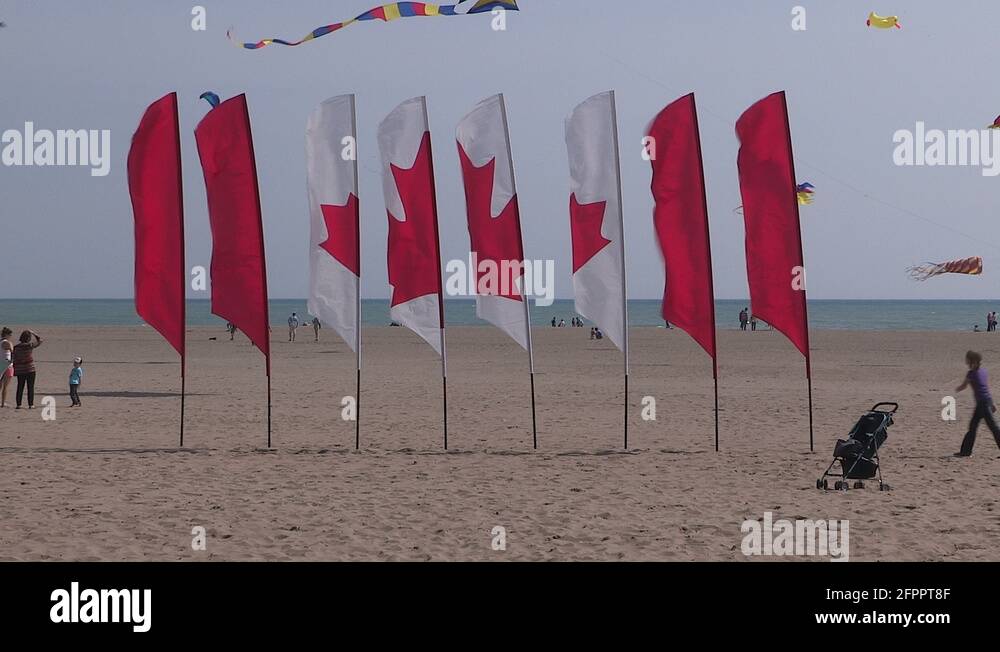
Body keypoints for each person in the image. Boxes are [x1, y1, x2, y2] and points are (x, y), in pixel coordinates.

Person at [954, 350, 1000, 456]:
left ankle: (965, 451)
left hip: (983, 404)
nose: (966, 363)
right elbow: (985, 388)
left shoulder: (971, 374)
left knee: (993, 427)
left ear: (972, 361)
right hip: (985, 402)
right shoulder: (983, 371)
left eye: (968, 360)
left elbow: (964, 386)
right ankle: (965, 451)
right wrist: (992, 403)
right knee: (973, 427)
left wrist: (956, 389)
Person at [12, 329, 42, 409]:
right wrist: (33, 333)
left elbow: (13, 358)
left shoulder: (16, 347)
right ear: (28, 338)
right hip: (30, 368)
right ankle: (31, 404)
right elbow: (40, 340)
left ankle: (19, 404)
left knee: (20, 387)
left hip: (20, 369)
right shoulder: (29, 345)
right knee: (30, 387)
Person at [1, 327, 13, 408]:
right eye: (10, 335)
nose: (11, 336)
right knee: (5, 386)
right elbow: (12, 349)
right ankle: (2, 403)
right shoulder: (6, 342)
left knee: (0, 384)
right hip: (7, 364)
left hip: (1, 363)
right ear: (6, 334)